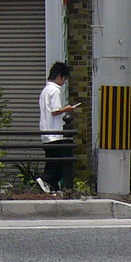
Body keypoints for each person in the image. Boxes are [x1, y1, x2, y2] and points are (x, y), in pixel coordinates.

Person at [37, 61, 75, 193]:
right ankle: (45, 179)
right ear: (59, 76)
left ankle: (51, 188)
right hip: (55, 133)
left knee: (51, 163)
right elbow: (55, 110)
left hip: (46, 132)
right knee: (61, 164)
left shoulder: (45, 90)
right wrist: (67, 109)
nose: (64, 82)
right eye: (64, 78)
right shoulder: (55, 90)